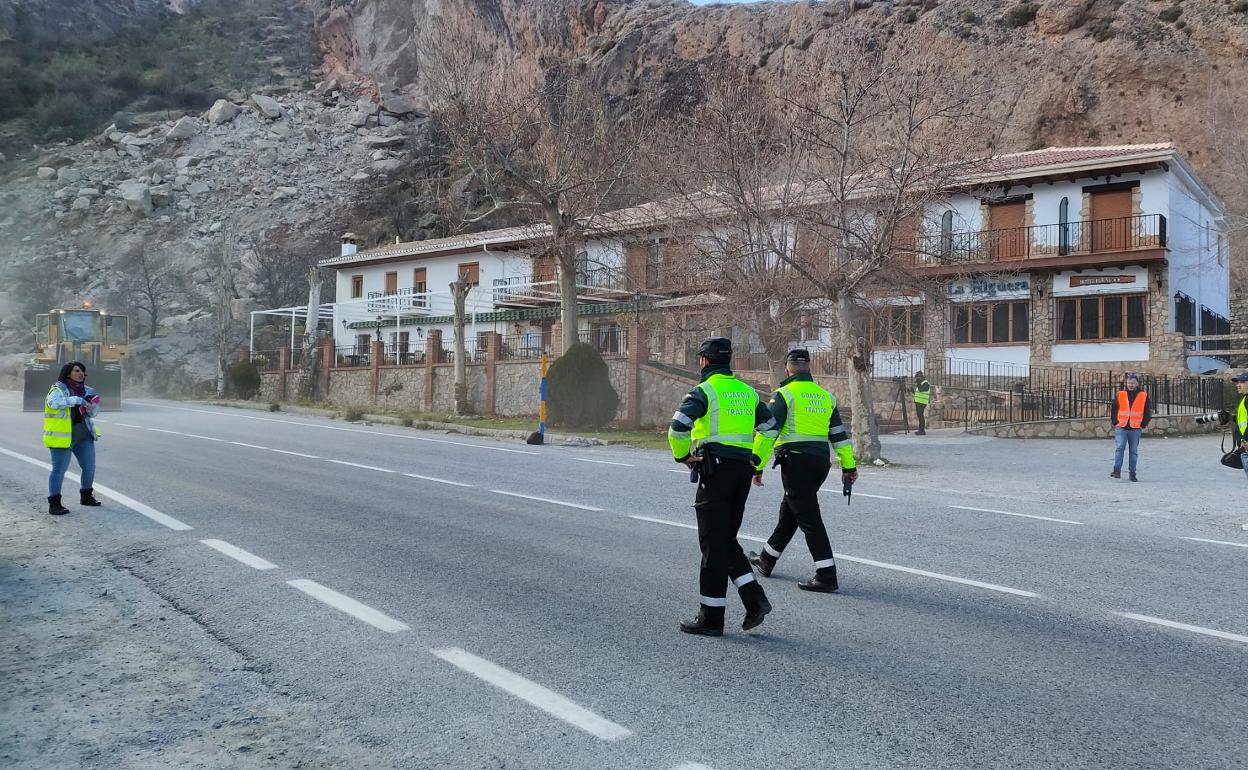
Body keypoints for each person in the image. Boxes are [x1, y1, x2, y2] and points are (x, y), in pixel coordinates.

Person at [668, 337, 779, 637]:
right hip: (742, 473)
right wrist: (757, 459)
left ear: (704, 360)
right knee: (725, 540)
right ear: (727, 360)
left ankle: (712, 617)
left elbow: (678, 427)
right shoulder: (748, 392)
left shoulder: (704, 391)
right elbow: (770, 429)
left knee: (711, 544)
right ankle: (754, 600)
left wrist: (682, 456)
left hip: (714, 471)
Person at [747, 349, 857, 593]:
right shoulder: (826, 396)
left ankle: (826, 574)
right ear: (809, 368)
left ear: (787, 368)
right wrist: (848, 465)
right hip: (820, 463)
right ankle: (766, 559)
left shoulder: (784, 395)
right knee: (792, 510)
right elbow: (839, 435)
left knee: (808, 516)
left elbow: (768, 433)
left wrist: (757, 465)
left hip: (796, 462)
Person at [44, 361, 102, 515]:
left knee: (89, 468)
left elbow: (93, 413)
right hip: (62, 438)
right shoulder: (57, 390)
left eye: (82, 371)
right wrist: (76, 400)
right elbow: (53, 403)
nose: (81, 373)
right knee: (59, 470)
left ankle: (86, 497)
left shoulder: (87, 390)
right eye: (77, 370)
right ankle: (54, 504)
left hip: (84, 436)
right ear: (68, 373)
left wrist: (92, 406)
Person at [1109, 372, 1151, 482]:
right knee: (1120, 448)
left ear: (1137, 383)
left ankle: (1132, 473)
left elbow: (1147, 412)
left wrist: (1143, 424)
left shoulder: (1143, 395)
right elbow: (1114, 409)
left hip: (1135, 428)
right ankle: (1116, 471)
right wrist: (1115, 421)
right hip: (1122, 426)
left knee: (1133, 451)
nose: (1130, 385)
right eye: (1128, 383)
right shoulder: (1120, 394)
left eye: (1132, 383)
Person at [1232, 370, 1248, 482]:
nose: (1238, 385)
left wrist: (1246, 440)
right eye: (1237, 382)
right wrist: (1230, 418)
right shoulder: (1244, 399)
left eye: (1242, 382)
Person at [912, 371, 931, 435]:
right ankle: (920, 430)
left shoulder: (926, 383)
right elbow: (918, 393)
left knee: (921, 416)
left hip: (922, 402)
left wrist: (918, 383)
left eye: (917, 378)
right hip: (918, 402)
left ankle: (922, 431)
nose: (916, 379)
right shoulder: (921, 383)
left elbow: (921, 390)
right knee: (920, 416)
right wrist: (912, 391)